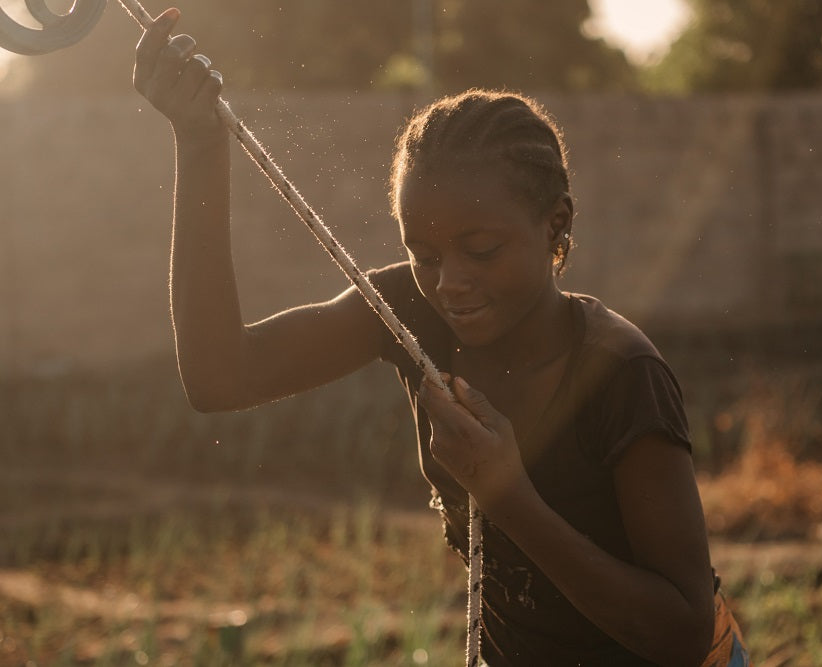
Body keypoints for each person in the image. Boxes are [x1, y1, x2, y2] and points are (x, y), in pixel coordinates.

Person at [133, 9, 752, 667]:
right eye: (422, 253)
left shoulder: (622, 373)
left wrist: (507, 495)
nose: (449, 282)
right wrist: (199, 144)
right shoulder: (408, 313)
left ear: (555, 224)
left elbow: (682, 632)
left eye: (481, 249)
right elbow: (220, 376)